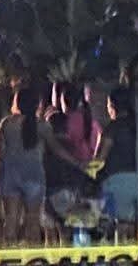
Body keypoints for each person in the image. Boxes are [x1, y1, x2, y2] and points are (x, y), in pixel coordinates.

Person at [42, 83, 98, 240]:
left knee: (51, 229)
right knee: (73, 226)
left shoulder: (53, 141)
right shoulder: (90, 122)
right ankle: (72, 259)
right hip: (79, 179)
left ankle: (54, 261)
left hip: (56, 183)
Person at [0, 83, 45, 243]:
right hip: (34, 174)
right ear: (37, 104)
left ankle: (11, 263)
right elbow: (55, 148)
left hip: (11, 174)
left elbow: (0, 153)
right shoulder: (42, 125)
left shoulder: (7, 123)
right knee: (33, 222)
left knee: (11, 220)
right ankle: (33, 262)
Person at [94, 86, 138, 239]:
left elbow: (101, 158)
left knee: (121, 226)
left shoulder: (112, 128)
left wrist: (88, 172)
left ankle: (121, 261)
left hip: (117, 180)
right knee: (135, 226)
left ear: (113, 106)